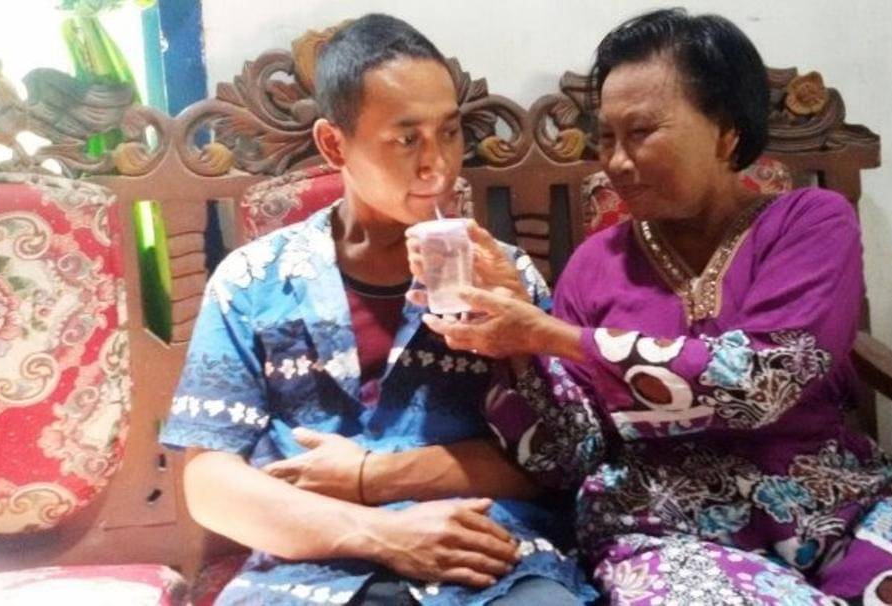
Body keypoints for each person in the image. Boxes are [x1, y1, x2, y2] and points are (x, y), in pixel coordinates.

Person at [409, 9, 892, 605]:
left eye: (642, 132)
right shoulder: (594, 264)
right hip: (663, 528)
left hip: (834, 509)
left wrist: (557, 337)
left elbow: (767, 378)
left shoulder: (808, 222)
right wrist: (519, 346)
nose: (618, 162)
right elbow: (566, 456)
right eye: (607, 137)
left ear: (726, 133)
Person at [160, 14, 596, 606]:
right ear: (333, 144)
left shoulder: (502, 276)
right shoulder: (253, 282)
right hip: (314, 566)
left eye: (449, 132)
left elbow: (555, 463)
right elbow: (210, 481)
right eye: (406, 139)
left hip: (488, 555)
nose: (438, 164)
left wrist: (519, 338)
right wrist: (381, 532)